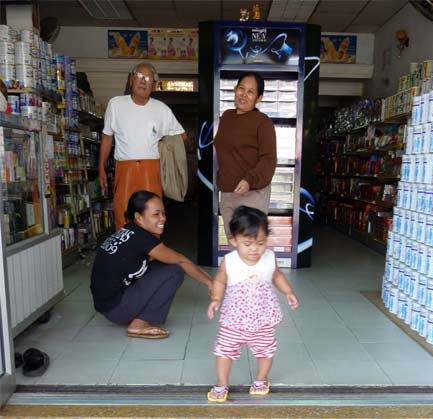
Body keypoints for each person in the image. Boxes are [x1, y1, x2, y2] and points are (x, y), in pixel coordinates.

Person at [90, 190, 213, 339]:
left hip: (108, 304)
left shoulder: (130, 230)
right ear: (139, 217)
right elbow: (181, 260)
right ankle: (139, 324)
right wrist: (210, 283)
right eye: (156, 214)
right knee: (175, 271)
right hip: (116, 308)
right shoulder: (143, 239)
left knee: (163, 264)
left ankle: (135, 314)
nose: (163, 219)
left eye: (163, 213)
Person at [206, 206, 299, 402]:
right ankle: (222, 383)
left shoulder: (269, 257)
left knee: (265, 350)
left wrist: (288, 291)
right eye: (247, 244)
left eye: (260, 243)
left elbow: (277, 275)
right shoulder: (229, 261)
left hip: (263, 318)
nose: (255, 249)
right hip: (234, 319)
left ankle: (261, 379)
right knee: (225, 350)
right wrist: (216, 299)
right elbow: (220, 281)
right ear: (233, 240)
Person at [98, 61, 187, 231]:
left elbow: (182, 136)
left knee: (152, 216)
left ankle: (150, 257)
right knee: (123, 214)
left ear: (154, 85)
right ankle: (125, 255)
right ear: (131, 79)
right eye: (139, 75)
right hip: (125, 169)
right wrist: (101, 166)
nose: (143, 81)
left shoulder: (161, 109)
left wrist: (163, 145)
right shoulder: (116, 104)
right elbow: (107, 137)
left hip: (150, 168)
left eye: (148, 78)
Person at [214, 72, 277, 241]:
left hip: (252, 194)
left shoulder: (263, 122)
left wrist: (249, 179)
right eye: (241, 88)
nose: (244, 94)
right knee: (234, 244)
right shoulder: (227, 116)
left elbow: (269, 159)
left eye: (250, 91)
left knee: (251, 246)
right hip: (228, 193)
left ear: (259, 98)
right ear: (234, 90)